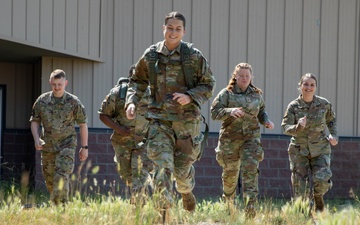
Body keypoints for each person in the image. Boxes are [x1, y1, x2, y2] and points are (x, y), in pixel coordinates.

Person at [125, 11, 215, 214]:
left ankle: (186, 191)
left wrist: (190, 96)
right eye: (170, 28)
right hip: (159, 122)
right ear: (163, 29)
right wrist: (131, 102)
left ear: (184, 31)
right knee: (162, 170)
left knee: (182, 174)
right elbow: (137, 81)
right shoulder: (151, 55)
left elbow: (208, 84)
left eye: (178, 29)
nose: (173, 32)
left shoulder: (193, 56)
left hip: (186, 123)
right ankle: (163, 216)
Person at [210, 62, 274, 218]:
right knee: (230, 175)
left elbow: (262, 112)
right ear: (235, 76)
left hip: (251, 139)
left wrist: (266, 121)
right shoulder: (227, 94)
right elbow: (214, 112)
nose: (244, 78)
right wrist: (230, 111)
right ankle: (229, 205)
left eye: (247, 75)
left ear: (251, 77)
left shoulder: (256, 94)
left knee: (250, 171)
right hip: (230, 140)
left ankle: (250, 211)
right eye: (241, 75)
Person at [30, 69, 88, 206]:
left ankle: (61, 209)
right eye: (54, 84)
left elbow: (83, 125)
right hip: (48, 146)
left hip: (67, 144)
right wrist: (36, 138)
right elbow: (34, 121)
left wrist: (84, 147)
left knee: (61, 176)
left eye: (59, 84)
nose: (56, 87)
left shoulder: (73, 102)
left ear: (65, 83)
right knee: (50, 180)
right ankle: (58, 207)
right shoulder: (42, 101)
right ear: (50, 82)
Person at [281, 73, 338, 213]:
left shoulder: (324, 104)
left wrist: (333, 135)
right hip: (299, 150)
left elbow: (331, 120)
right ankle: (303, 217)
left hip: (320, 149)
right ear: (300, 86)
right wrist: (298, 127)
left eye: (312, 85)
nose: (308, 87)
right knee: (300, 187)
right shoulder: (293, 106)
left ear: (316, 87)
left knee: (322, 180)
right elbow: (285, 127)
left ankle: (318, 197)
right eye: (305, 84)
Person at [98, 66, 153, 205]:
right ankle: (145, 191)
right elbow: (103, 114)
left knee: (139, 175)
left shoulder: (153, 94)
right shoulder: (118, 93)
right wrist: (119, 128)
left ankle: (137, 210)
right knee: (127, 175)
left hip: (144, 142)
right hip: (122, 142)